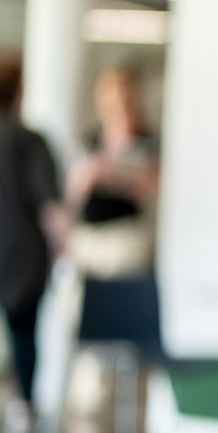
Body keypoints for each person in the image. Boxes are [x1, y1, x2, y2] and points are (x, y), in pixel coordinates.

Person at [0, 54, 64, 431]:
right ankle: (24, 410)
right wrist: (64, 248)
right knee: (25, 334)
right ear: (18, 92)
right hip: (22, 260)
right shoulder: (30, 140)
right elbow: (51, 207)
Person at [64, 66, 159, 280]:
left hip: (127, 240)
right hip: (88, 241)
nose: (119, 107)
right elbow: (72, 193)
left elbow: (151, 189)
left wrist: (114, 174)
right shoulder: (89, 141)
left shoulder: (148, 143)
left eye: (125, 99)